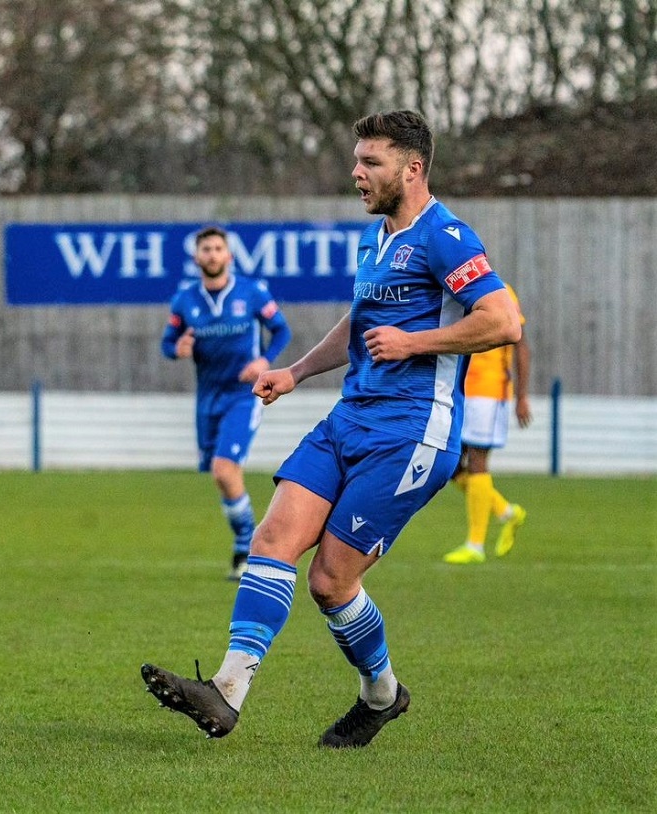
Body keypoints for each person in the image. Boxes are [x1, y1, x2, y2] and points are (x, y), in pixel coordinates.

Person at [141, 110, 522, 748]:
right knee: (272, 539)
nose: (356, 172)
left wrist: (416, 341)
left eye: (371, 162)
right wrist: (296, 371)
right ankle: (227, 693)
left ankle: (380, 694)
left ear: (413, 168)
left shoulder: (446, 236)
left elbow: (505, 321)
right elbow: (357, 323)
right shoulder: (376, 241)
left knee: (330, 581)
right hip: (348, 419)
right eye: (358, 159)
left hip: (411, 434)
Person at [161, 225, 292, 580]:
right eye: (206, 249)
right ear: (196, 257)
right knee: (222, 476)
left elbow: (281, 329)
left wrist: (265, 360)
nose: (213, 254)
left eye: (218, 248)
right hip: (207, 398)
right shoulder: (185, 300)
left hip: (242, 395)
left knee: (224, 469)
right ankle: (243, 545)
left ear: (229, 256)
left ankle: (249, 547)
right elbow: (167, 342)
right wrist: (178, 349)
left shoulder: (251, 292)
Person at [444, 286, 532, 564]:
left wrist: (522, 396)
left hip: (490, 392)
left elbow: (521, 345)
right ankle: (507, 512)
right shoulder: (452, 291)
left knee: (478, 462)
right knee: (450, 466)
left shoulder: (501, 291)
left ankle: (475, 545)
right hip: (458, 389)